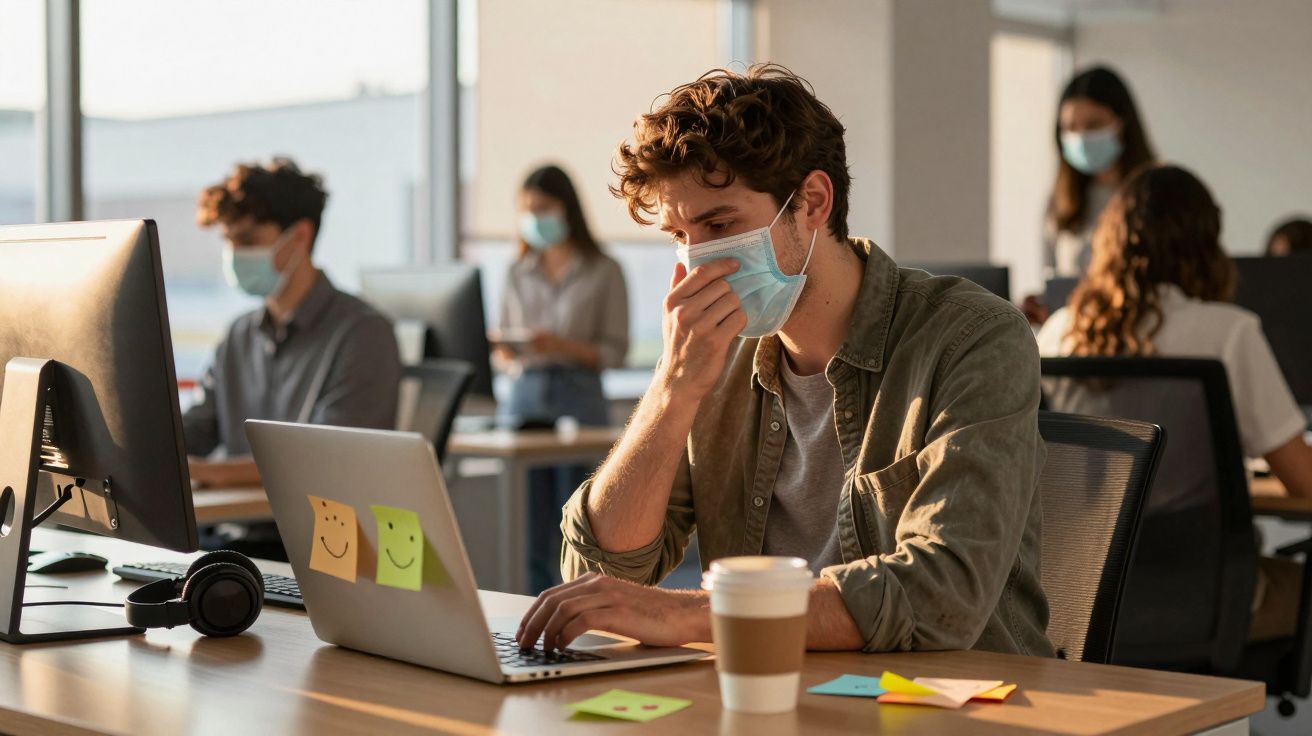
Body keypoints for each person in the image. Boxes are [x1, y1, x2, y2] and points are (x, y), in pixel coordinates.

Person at [516, 65, 1053, 657]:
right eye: (678, 234)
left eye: (720, 225)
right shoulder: (712, 359)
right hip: (770, 695)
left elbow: (940, 593)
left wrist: (691, 614)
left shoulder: (972, 338)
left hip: (952, 704)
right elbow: (599, 569)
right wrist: (671, 392)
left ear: (813, 202)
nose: (696, 262)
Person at [1037, 164, 1312, 640]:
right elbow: (1302, 478)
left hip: (1074, 602)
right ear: (1206, 244)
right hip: (1200, 597)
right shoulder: (1228, 332)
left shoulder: (1058, 331)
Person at [185, 158, 402, 494]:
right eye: (229, 242)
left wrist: (208, 473)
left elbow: (324, 460)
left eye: (248, 240)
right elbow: (194, 431)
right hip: (228, 533)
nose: (234, 254)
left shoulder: (363, 334)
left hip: (307, 540)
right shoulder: (238, 335)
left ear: (299, 236)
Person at [495, 164, 630, 593]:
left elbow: (615, 351)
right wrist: (507, 347)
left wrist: (561, 346)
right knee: (530, 524)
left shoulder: (604, 269)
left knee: (582, 519)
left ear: (566, 208)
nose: (535, 217)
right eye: (527, 209)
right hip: (525, 397)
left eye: (543, 207)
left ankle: (585, 604)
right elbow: (502, 348)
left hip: (580, 399)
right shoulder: (516, 270)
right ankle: (534, 610)